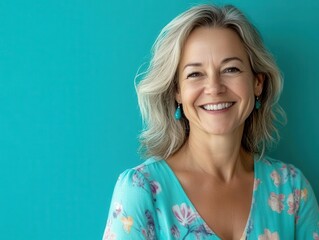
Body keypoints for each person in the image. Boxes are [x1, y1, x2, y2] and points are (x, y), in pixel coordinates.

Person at [103, 4, 319, 240]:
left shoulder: (292, 190)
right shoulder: (141, 191)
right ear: (177, 91)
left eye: (231, 69)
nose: (214, 88)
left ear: (257, 83)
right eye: (195, 73)